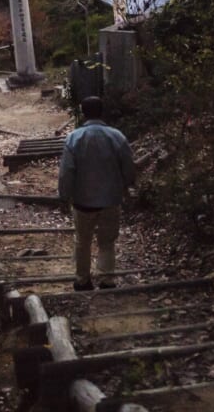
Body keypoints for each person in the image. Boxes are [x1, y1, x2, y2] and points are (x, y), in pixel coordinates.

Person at [58, 95, 135, 291]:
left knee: (82, 241)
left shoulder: (74, 138)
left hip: (83, 200)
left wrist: (64, 196)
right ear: (102, 112)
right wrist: (127, 187)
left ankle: (83, 280)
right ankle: (107, 279)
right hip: (110, 199)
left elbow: (67, 171)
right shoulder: (117, 136)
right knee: (107, 241)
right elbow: (128, 167)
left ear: (83, 113)